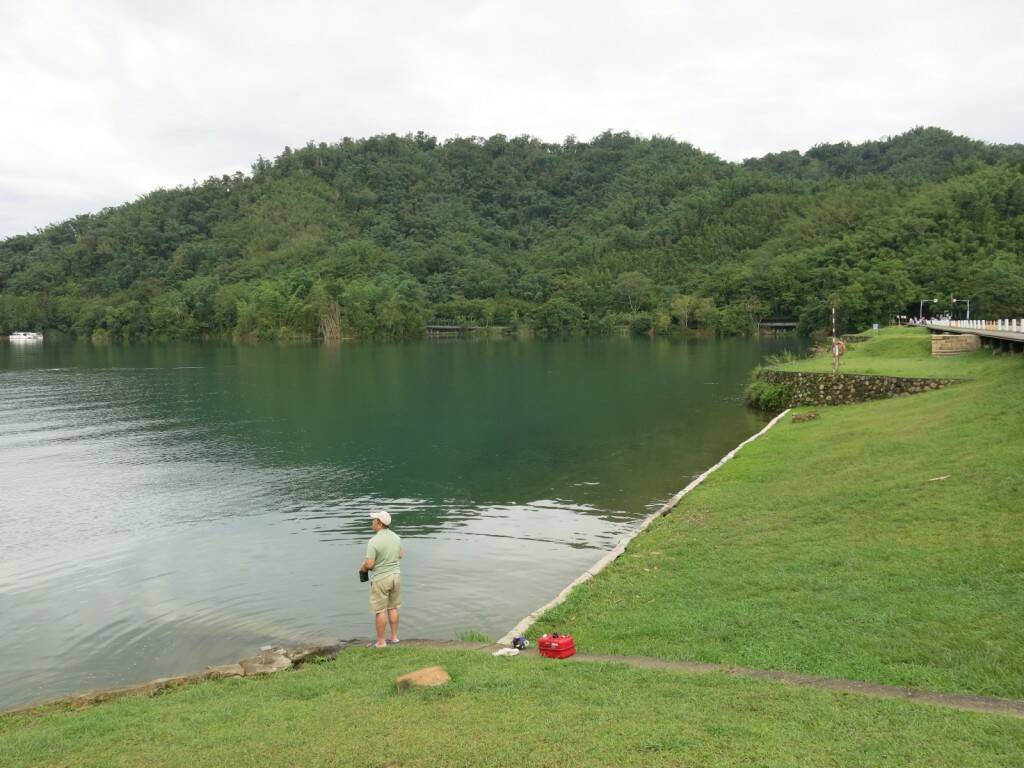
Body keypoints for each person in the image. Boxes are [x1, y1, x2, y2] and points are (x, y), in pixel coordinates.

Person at [360, 510, 403, 648]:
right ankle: (395, 638)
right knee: (393, 607)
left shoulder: (373, 541)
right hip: (396, 576)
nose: (372, 522)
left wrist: (364, 568)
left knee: (380, 610)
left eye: (373, 520)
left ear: (379, 523)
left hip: (381, 579)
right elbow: (400, 555)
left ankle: (381, 642)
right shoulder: (396, 537)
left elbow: (370, 564)